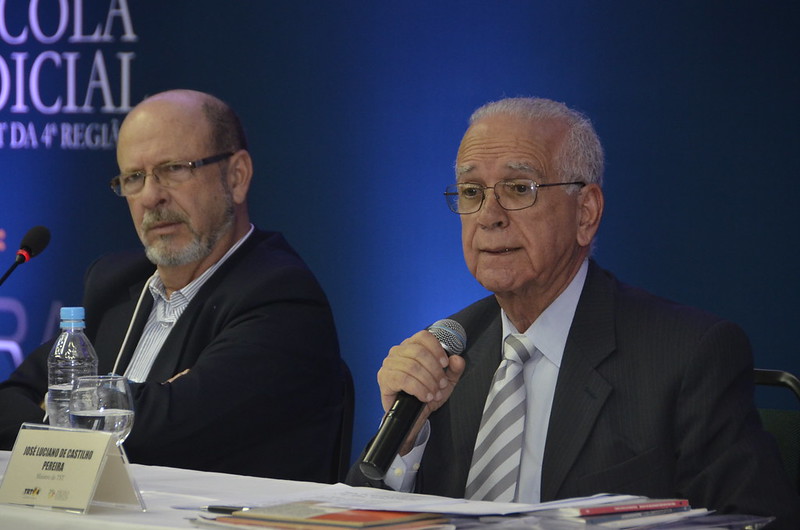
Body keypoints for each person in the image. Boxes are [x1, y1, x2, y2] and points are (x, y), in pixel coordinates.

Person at [347, 97, 800, 526]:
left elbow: (752, 518)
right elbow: (345, 518)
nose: (489, 215)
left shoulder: (688, 356)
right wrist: (404, 443)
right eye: (471, 192)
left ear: (586, 212)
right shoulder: (446, 350)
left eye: (518, 188)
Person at [0, 89, 347, 482]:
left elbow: (162, 435)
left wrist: (56, 404)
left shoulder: (282, 298)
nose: (151, 196)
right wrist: (113, 403)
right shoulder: (115, 286)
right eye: (134, 177)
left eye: (174, 168)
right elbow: (6, 404)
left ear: (236, 177)